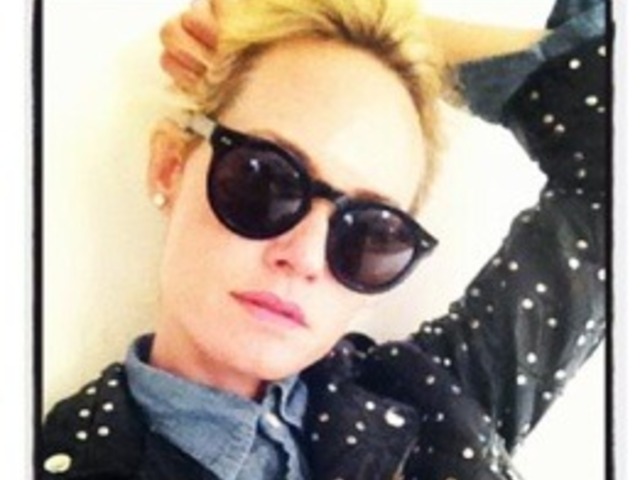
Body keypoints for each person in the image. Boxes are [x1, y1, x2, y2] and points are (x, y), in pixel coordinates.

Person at [40, 0, 609, 478]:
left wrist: (338, 18)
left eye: (372, 233)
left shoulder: (437, 399)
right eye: (265, 182)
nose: (306, 256)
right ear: (169, 167)